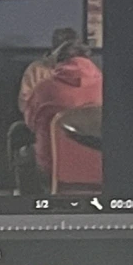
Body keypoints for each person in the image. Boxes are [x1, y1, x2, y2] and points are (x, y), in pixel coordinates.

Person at [20, 27, 104, 193]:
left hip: (53, 169)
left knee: (22, 147)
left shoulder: (44, 89)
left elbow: (30, 123)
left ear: (59, 61)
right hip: (101, 169)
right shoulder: (106, 85)